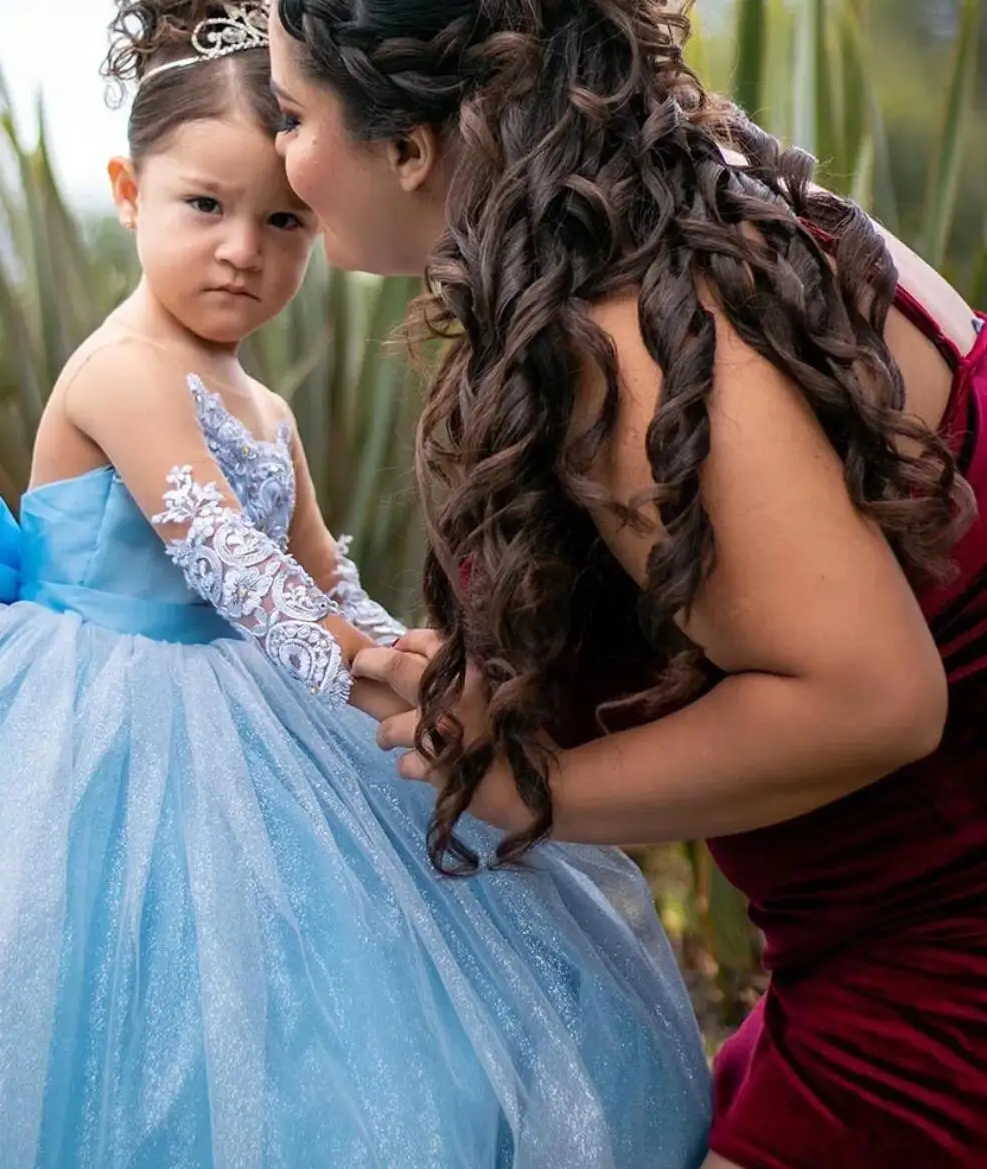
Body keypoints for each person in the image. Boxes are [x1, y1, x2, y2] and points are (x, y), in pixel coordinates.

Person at [0, 2, 711, 1165]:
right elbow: (237, 569)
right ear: (128, 193)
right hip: (90, 714)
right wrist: (373, 670)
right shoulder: (124, 370)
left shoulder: (264, 404)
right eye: (203, 206)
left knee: (300, 979)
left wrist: (424, 655)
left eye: (282, 218)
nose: (243, 247)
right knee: (91, 978)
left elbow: (320, 566)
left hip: (244, 695)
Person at [268, 0, 987, 1166]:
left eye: (294, 115)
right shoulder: (676, 191)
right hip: (856, 949)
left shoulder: (628, 330)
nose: (277, 152)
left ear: (406, 147)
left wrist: (525, 789)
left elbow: (870, 696)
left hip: (939, 983)